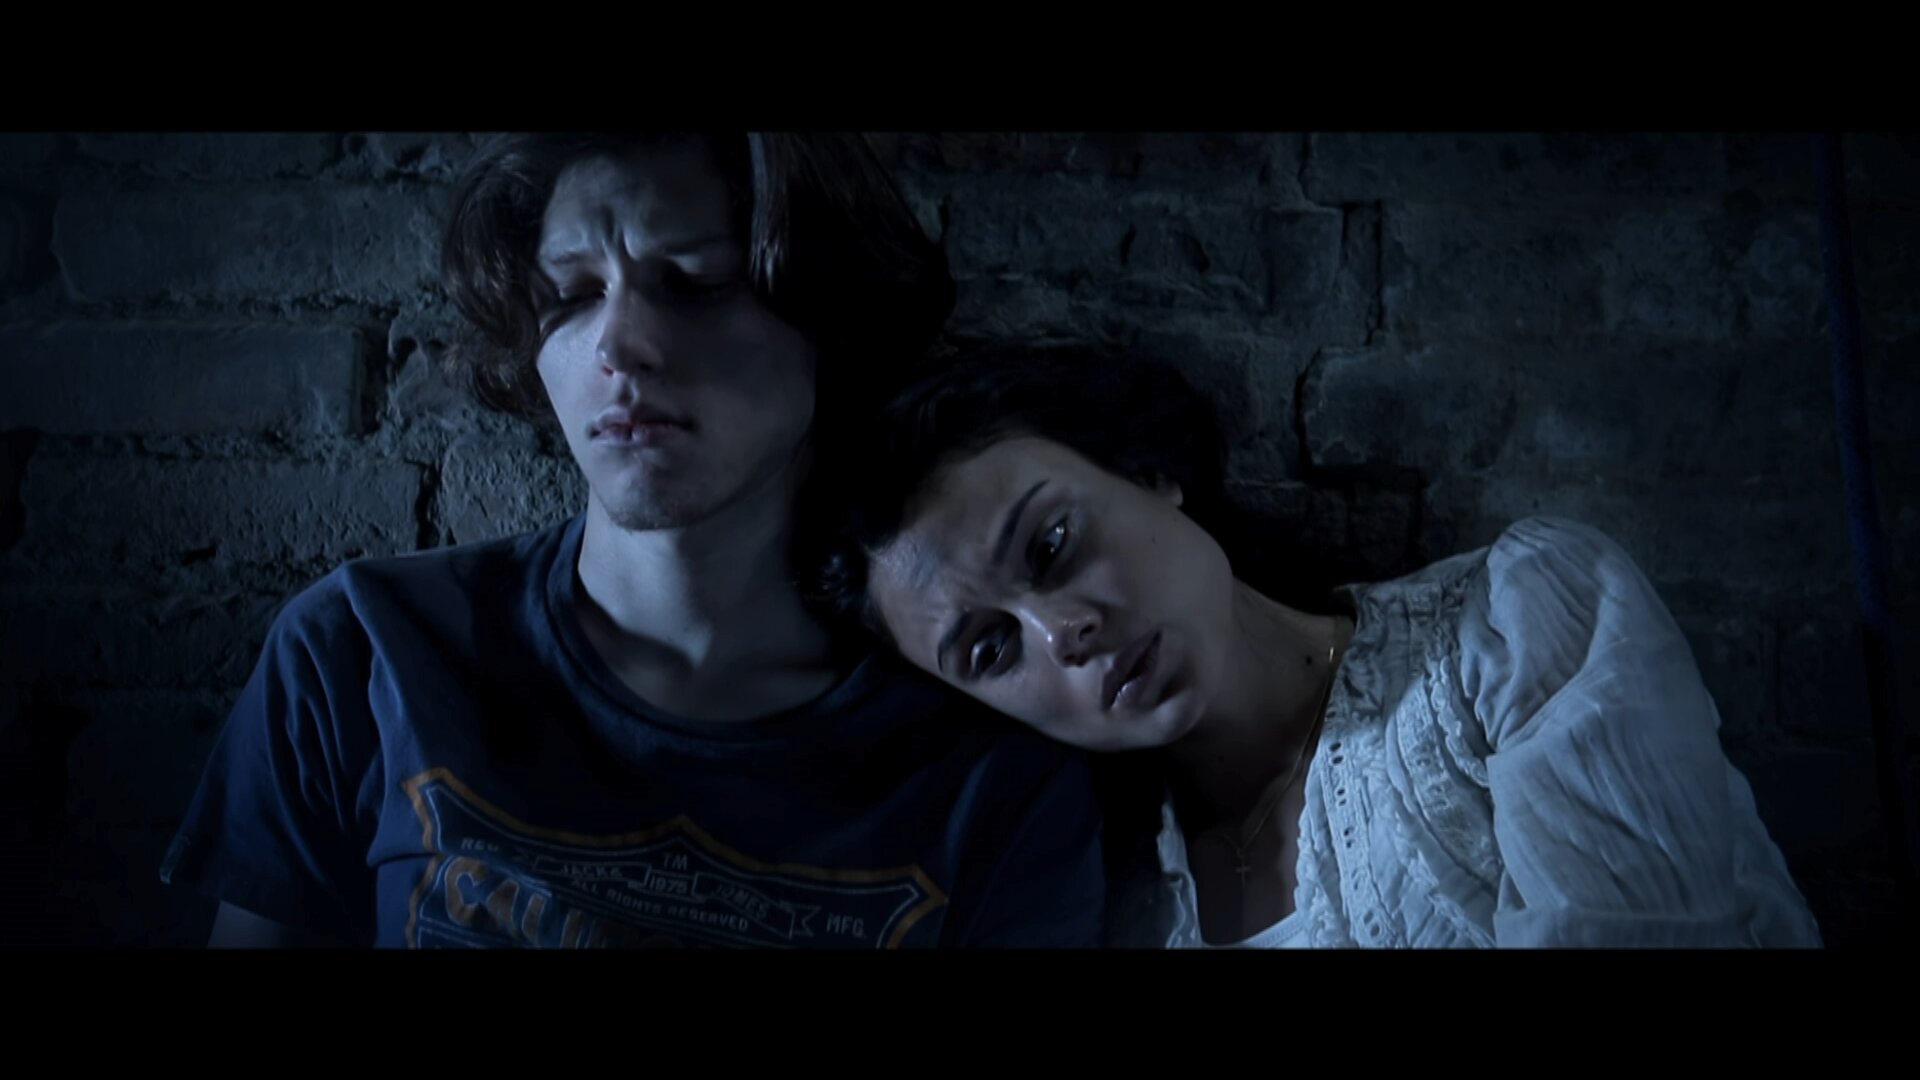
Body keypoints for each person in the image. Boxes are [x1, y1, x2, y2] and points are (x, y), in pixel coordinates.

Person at [159, 133, 1108, 949]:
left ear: (829, 320)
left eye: (692, 283)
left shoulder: (986, 763)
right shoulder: (365, 651)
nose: (618, 345)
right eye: (570, 294)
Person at [815, 342, 1825, 947]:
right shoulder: (1112, 903)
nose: (1062, 634)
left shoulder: (1519, 626)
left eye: (1051, 545)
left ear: (1150, 470)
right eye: (991, 651)